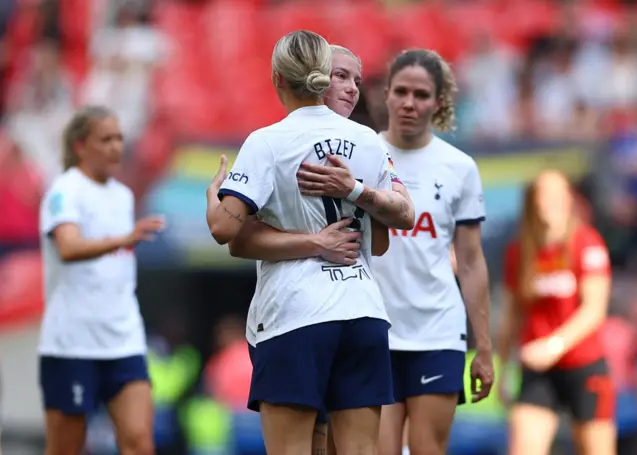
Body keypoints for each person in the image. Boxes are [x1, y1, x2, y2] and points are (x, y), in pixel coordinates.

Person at [206, 30, 412, 455]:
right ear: (324, 78)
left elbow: (225, 230)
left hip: (295, 315)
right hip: (363, 312)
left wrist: (215, 197)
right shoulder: (368, 141)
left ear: (278, 78)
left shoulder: (267, 142)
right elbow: (384, 238)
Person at [295, 49, 495, 455]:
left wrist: (485, 349)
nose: (409, 102)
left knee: (427, 449)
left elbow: (471, 262)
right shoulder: (360, 151)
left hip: (437, 330)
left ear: (439, 102)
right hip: (372, 327)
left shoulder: (459, 167)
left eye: (421, 94)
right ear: (385, 95)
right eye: (400, 91)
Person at [38, 106, 165, 455]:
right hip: (73, 343)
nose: (115, 147)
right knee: (67, 448)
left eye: (119, 139)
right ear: (80, 146)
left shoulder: (122, 196)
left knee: (139, 441)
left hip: (123, 339)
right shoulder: (64, 191)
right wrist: (122, 240)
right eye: (105, 139)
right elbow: (67, 246)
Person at [498, 170, 616, 455]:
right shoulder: (520, 251)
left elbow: (594, 310)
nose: (550, 202)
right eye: (543, 194)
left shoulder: (587, 243)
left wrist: (554, 346)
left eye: (558, 194)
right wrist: (504, 371)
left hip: (583, 364)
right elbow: (511, 316)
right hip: (538, 370)